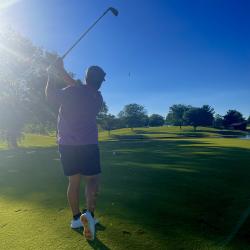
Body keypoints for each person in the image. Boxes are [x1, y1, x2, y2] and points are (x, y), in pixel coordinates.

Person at [45, 58, 105, 241]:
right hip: (88, 144)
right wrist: (61, 70)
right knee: (92, 179)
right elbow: (80, 87)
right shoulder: (97, 97)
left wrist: (51, 75)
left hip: (67, 145)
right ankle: (90, 216)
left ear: (86, 77)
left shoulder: (71, 91)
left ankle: (75, 218)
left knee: (74, 182)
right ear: (100, 81)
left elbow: (50, 95)